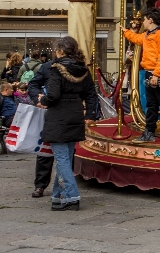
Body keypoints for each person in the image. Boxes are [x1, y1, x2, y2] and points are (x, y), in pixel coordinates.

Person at [38, 36, 98, 211]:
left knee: (62, 159)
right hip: (75, 114)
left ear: (61, 50)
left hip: (58, 115)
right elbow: (91, 93)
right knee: (66, 157)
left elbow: (54, 95)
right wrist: (91, 114)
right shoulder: (82, 69)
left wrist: (44, 100)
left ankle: (72, 196)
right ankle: (58, 197)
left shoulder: (56, 69)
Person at [123, 7, 160, 143]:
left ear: (151, 20)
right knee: (151, 104)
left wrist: (157, 75)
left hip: (159, 73)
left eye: (145, 20)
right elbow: (136, 38)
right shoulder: (147, 35)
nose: (143, 22)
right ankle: (149, 132)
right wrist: (126, 32)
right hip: (150, 72)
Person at [27, 55, 56, 198]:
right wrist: (36, 98)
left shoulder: (74, 67)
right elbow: (33, 84)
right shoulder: (47, 67)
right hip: (48, 111)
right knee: (44, 150)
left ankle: (64, 184)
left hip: (66, 112)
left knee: (68, 153)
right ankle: (40, 184)